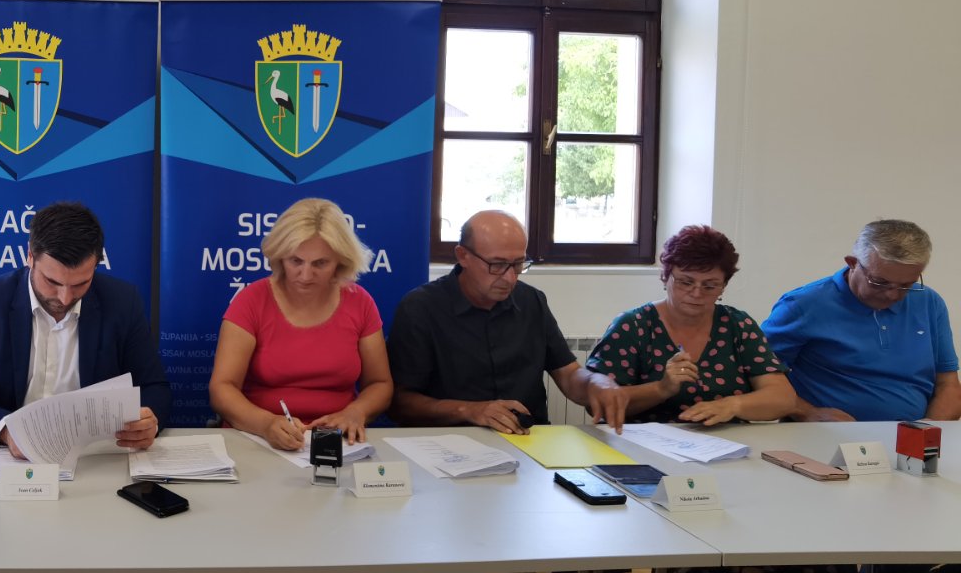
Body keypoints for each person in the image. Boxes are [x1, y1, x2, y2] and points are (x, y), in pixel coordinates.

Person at [0, 202, 168, 456]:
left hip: (96, 458)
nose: (65, 298)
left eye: (81, 283)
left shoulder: (122, 302)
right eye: (52, 281)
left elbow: (156, 388)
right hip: (12, 461)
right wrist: (7, 432)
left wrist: (148, 423)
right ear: (30, 256)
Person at [388, 210, 627, 434]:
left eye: (518, 264)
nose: (510, 278)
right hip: (450, 440)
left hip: (528, 439)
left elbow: (568, 375)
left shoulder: (531, 301)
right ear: (463, 256)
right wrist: (469, 410)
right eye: (498, 265)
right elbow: (400, 403)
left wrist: (594, 382)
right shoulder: (421, 307)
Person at [208, 197, 391, 449]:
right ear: (280, 256)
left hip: (337, 441)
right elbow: (222, 388)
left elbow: (380, 384)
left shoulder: (360, 302)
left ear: (341, 260)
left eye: (320, 263)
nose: (305, 275)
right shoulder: (251, 300)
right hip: (258, 438)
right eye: (295, 261)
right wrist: (265, 424)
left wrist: (357, 411)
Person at [587, 225, 797, 424]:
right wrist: (661, 389)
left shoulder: (738, 325)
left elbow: (783, 398)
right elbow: (598, 402)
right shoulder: (633, 326)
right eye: (685, 282)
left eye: (710, 286)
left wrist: (732, 405)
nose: (696, 293)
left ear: (723, 286)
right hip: (649, 442)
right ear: (665, 277)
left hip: (725, 442)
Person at [763, 219, 960, 422]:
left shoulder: (928, 302)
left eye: (906, 285)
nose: (893, 295)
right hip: (826, 433)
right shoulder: (802, 305)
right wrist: (807, 412)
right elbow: (758, 376)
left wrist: (925, 431)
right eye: (880, 282)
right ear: (852, 263)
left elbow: (948, 385)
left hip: (913, 433)